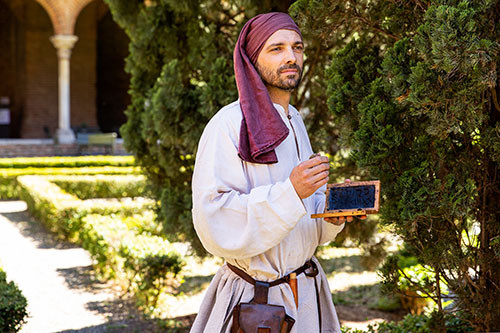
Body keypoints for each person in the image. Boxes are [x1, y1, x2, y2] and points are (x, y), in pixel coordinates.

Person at [190, 12, 357, 333]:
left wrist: (329, 216)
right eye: (276, 49)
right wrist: (291, 192)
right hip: (255, 302)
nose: (291, 57)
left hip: (306, 296)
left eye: (298, 47)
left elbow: (302, 214)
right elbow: (214, 219)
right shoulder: (227, 125)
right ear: (253, 59)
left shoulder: (294, 119)